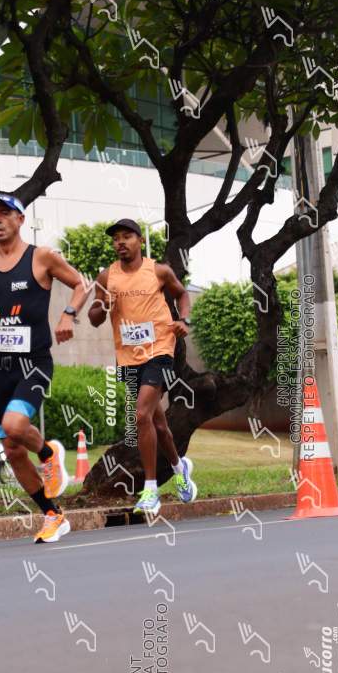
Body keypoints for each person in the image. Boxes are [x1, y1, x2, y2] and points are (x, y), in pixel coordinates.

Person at [0, 194, 88, 541]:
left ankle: (48, 452)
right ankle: (53, 515)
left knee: (14, 426)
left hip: (34, 363)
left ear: (20, 219)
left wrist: (68, 315)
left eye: (4, 214)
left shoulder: (41, 257)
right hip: (0, 368)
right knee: (11, 449)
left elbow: (80, 284)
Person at [87, 217, 197, 515]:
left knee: (140, 416)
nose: (120, 242)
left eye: (127, 236)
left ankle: (150, 489)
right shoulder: (105, 277)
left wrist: (184, 319)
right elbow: (94, 318)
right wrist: (103, 305)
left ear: (140, 240)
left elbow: (182, 294)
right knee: (157, 423)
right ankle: (179, 467)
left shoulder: (158, 271)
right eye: (116, 239)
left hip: (160, 349)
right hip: (128, 355)